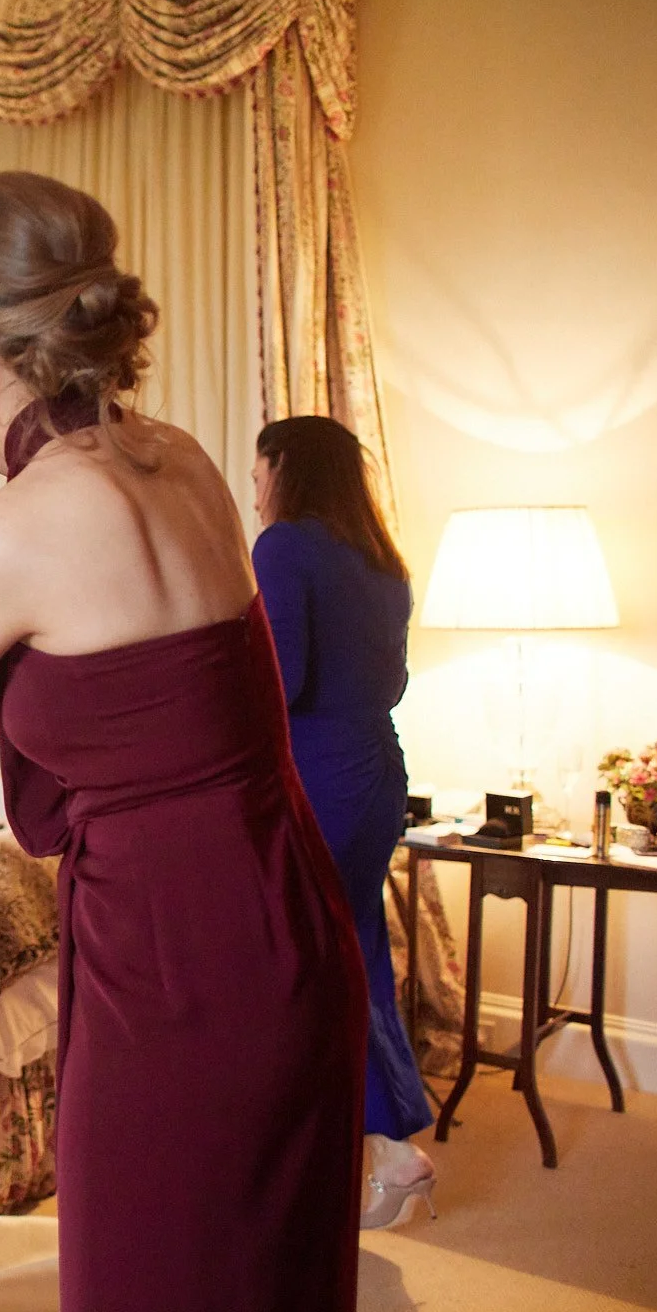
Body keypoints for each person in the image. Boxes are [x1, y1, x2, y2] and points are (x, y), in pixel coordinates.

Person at [0, 171, 368, 1312]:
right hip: (286, 919)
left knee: (151, 1284)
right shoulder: (181, 460)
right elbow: (7, 390)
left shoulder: (3, 535)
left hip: (172, 954)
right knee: (259, 1281)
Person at [253, 415, 436, 1227]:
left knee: (296, 961)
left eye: (258, 470)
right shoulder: (380, 558)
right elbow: (392, 680)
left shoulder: (285, 546)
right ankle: (385, 1148)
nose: (254, 488)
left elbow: (278, 682)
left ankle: (329, 1153)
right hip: (376, 768)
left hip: (318, 775)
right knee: (353, 948)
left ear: (285, 467)